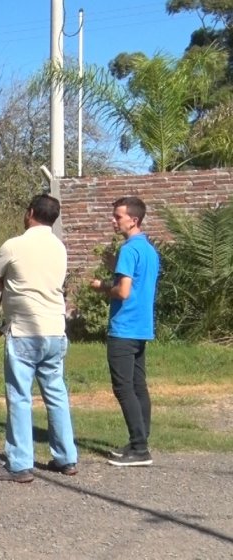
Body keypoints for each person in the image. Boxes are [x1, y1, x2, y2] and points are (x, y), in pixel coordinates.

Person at [0, 194, 78, 483]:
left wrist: (8, 284)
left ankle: (20, 464)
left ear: (30, 213)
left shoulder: (15, 245)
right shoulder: (59, 248)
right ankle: (66, 457)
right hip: (54, 330)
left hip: (24, 331)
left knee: (20, 397)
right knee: (56, 394)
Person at [91, 196, 160, 467]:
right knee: (138, 386)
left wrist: (101, 287)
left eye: (118, 216)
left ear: (134, 219)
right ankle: (139, 441)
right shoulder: (148, 250)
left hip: (124, 328)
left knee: (123, 388)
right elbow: (138, 282)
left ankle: (140, 449)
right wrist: (114, 269)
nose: (113, 220)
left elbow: (123, 291)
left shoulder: (129, 250)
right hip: (142, 327)